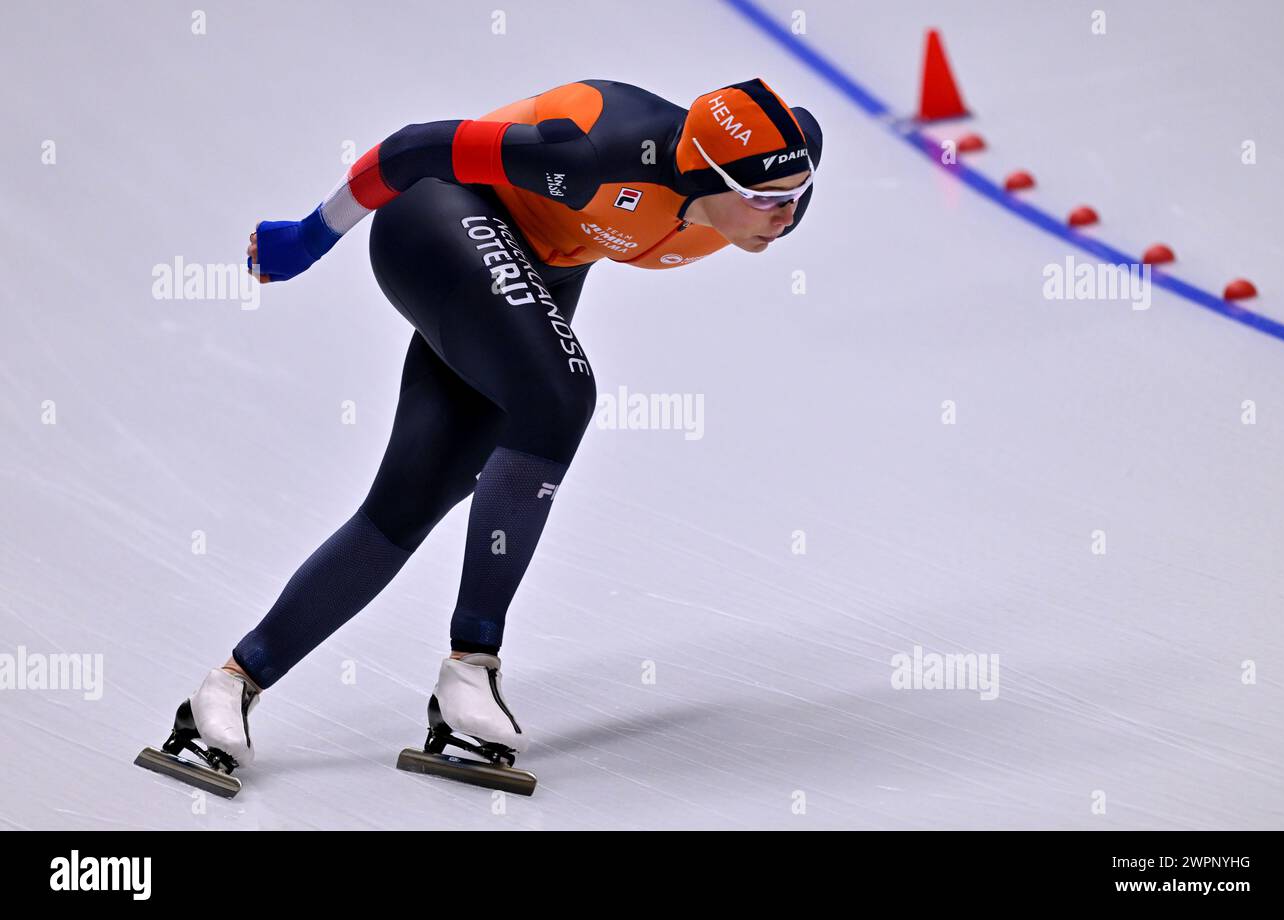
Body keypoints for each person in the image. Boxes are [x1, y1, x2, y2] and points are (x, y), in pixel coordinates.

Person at [175, 77, 822, 773]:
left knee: (414, 495)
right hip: (439, 217)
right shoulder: (593, 153)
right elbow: (411, 149)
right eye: (764, 199)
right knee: (563, 395)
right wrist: (308, 237)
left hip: (535, 272)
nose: (784, 215)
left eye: (794, 194)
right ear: (701, 173)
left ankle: (231, 684)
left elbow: (794, 144)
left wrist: (778, 189)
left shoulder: (782, 164)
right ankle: (474, 663)